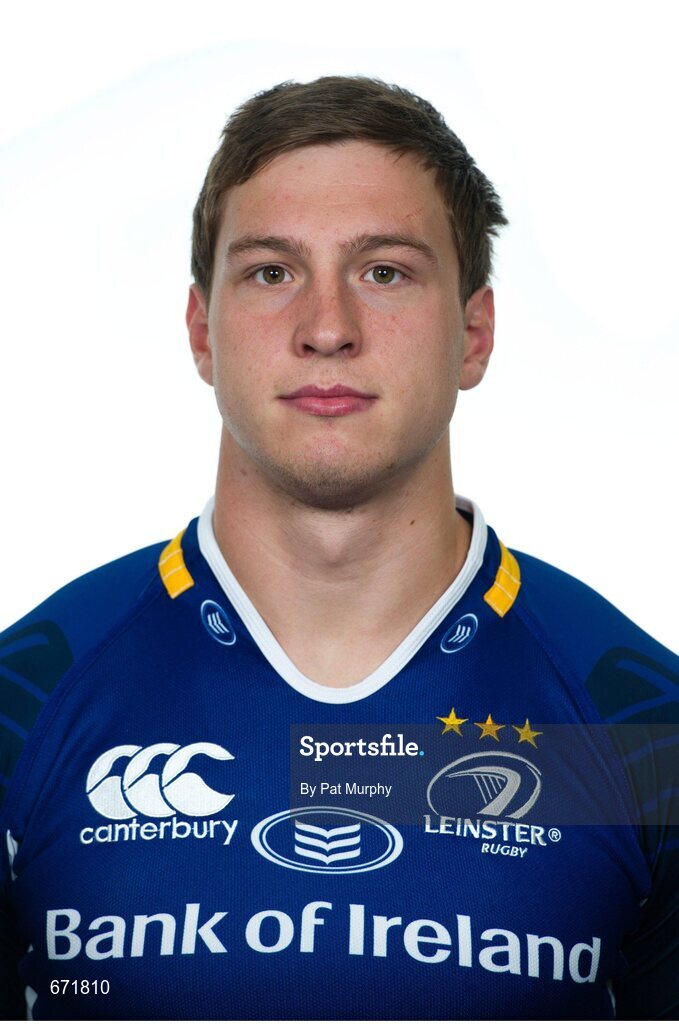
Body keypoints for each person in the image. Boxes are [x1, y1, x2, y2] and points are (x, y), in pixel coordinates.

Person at [0, 75, 676, 1022]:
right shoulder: (24, 708)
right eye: (272, 272)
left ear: (474, 334)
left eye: (385, 271)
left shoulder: (644, 726)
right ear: (201, 331)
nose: (327, 329)